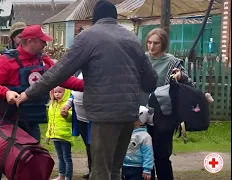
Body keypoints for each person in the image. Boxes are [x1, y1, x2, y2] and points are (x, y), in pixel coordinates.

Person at [15, 1, 158, 180]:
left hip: (104, 114)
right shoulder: (132, 38)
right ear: (115, 17)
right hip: (129, 114)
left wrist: (29, 93)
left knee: (100, 172)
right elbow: (151, 81)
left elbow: (60, 71)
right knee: (115, 169)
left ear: (94, 19)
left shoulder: (89, 37)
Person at [0, 24, 84, 180]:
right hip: (8, 120)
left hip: (31, 120)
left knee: (31, 159)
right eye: (42, 41)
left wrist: (89, 86)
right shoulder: (6, 60)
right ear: (30, 41)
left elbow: (63, 78)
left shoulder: (44, 61)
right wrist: (6, 92)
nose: (45, 44)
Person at [141, 27, 194, 180]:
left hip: (164, 115)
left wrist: (181, 76)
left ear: (163, 44)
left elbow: (190, 85)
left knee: (162, 156)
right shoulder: (141, 60)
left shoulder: (172, 62)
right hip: (142, 114)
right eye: (149, 42)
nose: (151, 47)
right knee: (145, 156)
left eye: (156, 43)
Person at [61, 71, 92, 179]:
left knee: (96, 147)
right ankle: (92, 169)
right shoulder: (81, 71)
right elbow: (74, 91)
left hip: (94, 119)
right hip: (81, 118)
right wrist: (68, 104)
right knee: (89, 146)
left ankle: (98, 171)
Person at [46, 86, 73, 180]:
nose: (57, 94)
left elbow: (71, 118)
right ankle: (61, 175)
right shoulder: (52, 105)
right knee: (60, 157)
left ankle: (68, 177)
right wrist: (48, 135)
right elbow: (51, 121)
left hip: (65, 136)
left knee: (67, 158)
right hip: (55, 136)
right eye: (55, 92)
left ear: (65, 93)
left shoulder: (68, 104)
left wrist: (67, 115)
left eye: (60, 92)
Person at [122, 106, 154, 180]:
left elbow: (148, 154)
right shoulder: (127, 133)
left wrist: (147, 169)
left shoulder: (145, 136)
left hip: (138, 169)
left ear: (139, 121)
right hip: (125, 166)